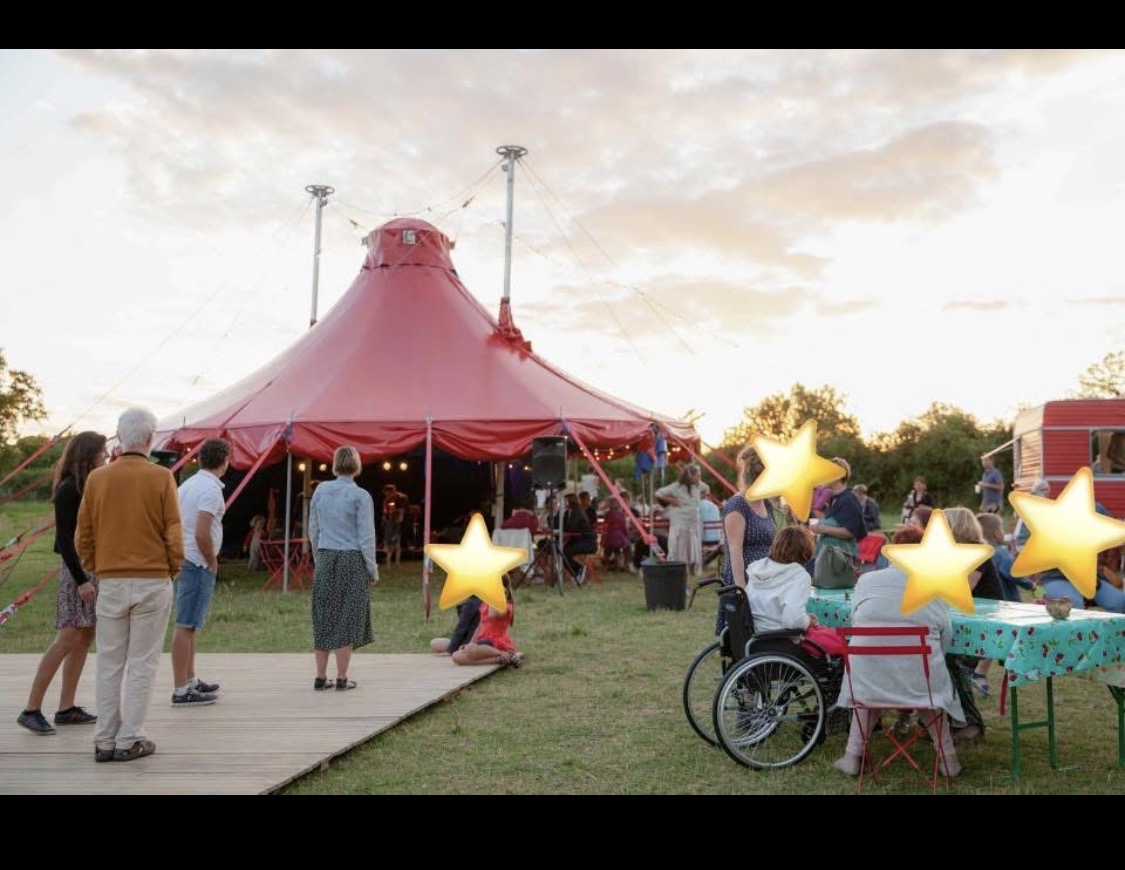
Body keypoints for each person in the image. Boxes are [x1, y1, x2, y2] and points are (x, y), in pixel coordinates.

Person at [76, 407, 183, 763]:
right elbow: (173, 531)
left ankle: (104, 739)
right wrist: (172, 567)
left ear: (119, 437)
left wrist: (98, 567)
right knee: (142, 662)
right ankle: (130, 737)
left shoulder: (97, 479)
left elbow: (83, 535)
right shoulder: (162, 477)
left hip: (112, 579)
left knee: (109, 662)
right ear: (151, 438)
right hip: (153, 579)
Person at [832, 540, 965, 779]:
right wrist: (933, 659)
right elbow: (946, 634)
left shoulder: (866, 581)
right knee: (928, 691)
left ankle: (852, 756)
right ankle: (948, 758)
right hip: (920, 679)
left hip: (866, 678)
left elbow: (856, 622)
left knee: (871, 688)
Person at [17, 431, 108, 736]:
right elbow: (65, 540)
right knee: (68, 638)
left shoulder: (90, 485)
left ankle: (66, 707)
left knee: (84, 638)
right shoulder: (69, 489)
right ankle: (31, 709)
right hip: (77, 571)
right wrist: (81, 580)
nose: (106, 456)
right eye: (102, 452)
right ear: (88, 454)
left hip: (93, 568)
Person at [308, 446, 378, 691]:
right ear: (357, 466)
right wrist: (372, 569)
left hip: (326, 556)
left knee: (324, 615)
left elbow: (313, 528)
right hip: (352, 559)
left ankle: (320, 676)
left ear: (335, 464)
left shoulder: (321, 490)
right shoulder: (361, 496)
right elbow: (366, 536)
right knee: (348, 617)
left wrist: (318, 557)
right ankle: (341, 677)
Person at [170, 437, 231, 708]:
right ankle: (180, 688)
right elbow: (202, 531)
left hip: (184, 557)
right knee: (185, 624)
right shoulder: (211, 490)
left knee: (192, 623)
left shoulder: (187, 484)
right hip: (196, 561)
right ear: (225, 461)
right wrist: (211, 561)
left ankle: (190, 678)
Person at [744, 525, 844, 656]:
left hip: (754, 639)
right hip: (780, 642)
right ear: (804, 552)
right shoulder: (798, 576)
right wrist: (808, 621)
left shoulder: (757, 569)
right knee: (831, 654)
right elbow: (793, 621)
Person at [716, 445, 779, 635]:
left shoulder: (766, 503)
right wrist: (741, 591)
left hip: (765, 581)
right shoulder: (738, 505)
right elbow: (734, 551)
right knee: (743, 637)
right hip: (745, 580)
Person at [451, 576, 522, 667]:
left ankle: (502, 653)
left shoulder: (505, 606)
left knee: (471, 649)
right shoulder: (486, 604)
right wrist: (471, 643)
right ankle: (497, 659)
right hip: (483, 642)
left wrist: (495, 594)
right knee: (456, 656)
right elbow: (480, 626)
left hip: (495, 642)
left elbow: (492, 615)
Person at [654, 463, 710, 576]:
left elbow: (707, 489)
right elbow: (658, 493)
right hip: (680, 522)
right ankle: (679, 569)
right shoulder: (676, 487)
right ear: (690, 476)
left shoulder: (699, 485)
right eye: (697, 475)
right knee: (680, 547)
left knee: (693, 546)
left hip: (693, 522)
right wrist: (670, 500)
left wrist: (700, 497)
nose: (699, 477)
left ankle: (692, 569)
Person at [810, 457, 867, 560]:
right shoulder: (833, 498)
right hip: (831, 556)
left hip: (841, 559)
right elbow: (835, 522)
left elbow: (850, 532)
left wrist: (823, 529)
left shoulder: (848, 500)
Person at [561, 491, 598, 585]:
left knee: (565, 552)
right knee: (561, 551)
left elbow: (572, 528)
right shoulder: (569, 512)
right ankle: (575, 572)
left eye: (564, 502)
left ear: (569, 502)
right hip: (578, 541)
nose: (562, 504)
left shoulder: (576, 512)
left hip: (587, 542)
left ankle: (578, 570)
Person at [1011, 477, 1050, 554]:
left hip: (1020, 543)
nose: (1048, 493)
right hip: (1025, 544)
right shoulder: (1038, 504)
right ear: (1042, 491)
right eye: (1047, 490)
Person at [600, 490, 633, 572]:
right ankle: (620, 567)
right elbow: (624, 528)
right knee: (618, 550)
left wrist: (603, 536)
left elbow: (605, 525)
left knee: (607, 552)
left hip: (609, 537)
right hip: (619, 537)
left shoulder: (607, 514)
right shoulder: (622, 514)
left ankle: (605, 567)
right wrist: (626, 536)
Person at [381, 484, 405, 567]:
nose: (386, 494)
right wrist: (384, 516)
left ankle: (397, 562)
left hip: (395, 522)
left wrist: (400, 517)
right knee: (390, 542)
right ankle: (389, 562)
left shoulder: (399, 497)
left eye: (387, 492)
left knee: (397, 543)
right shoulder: (386, 500)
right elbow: (385, 511)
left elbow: (401, 510)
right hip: (389, 522)